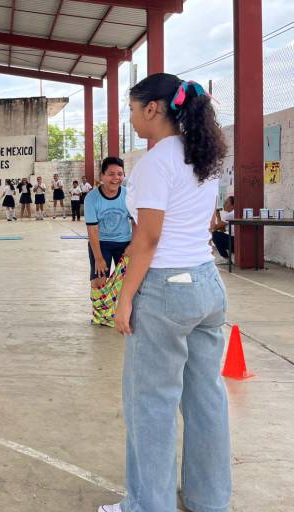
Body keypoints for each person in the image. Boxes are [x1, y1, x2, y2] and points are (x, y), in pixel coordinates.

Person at [98, 74, 230, 512]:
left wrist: (125, 298)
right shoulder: (203, 156)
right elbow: (200, 223)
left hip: (165, 289)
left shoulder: (156, 162)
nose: (131, 118)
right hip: (206, 283)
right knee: (206, 398)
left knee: (150, 404)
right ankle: (209, 500)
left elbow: (149, 238)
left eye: (133, 109)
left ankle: (146, 505)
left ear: (153, 108)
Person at [85, 157, 131, 289]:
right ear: (102, 176)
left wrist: (133, 245)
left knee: (127, 284)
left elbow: (136, 223)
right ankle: (99, 304)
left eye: (120, 174)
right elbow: (92, 229)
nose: (116, 178)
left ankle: (122, 304)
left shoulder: (129, 195)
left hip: (124, 243)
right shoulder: (91, 198)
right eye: (111, 174)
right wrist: (98, 258)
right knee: (98, 283)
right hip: (101, 243)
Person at [211, 196, 234, 260]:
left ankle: (225, 257)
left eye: (226, 203)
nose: (224, 204)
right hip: (235, 241)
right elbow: (222, 229)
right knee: (217, 234)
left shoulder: (230, 215)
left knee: (215, 234)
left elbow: (216, 227)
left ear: (232, 206)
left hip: (234, 242)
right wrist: (218, 216)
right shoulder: (233, 213)